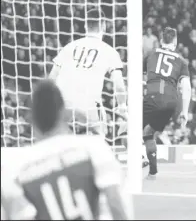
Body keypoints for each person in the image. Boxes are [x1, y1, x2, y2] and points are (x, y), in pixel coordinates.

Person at [1, 80, 128, 220]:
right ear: (64, 112)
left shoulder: (19, 167)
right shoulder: (93, 147)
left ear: (31, 119)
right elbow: (115, 201)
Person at [49, 8, 127, 135]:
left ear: (85, 25)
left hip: (62, 103)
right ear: (104, 26)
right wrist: (122, 106)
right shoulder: (109, 51)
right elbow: (118, 84)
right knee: (102, 135)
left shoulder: (69, 46)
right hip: (88, 103)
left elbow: (52, 77)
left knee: (63, 141)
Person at [143, 27, 191, 179]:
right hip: (171, 102)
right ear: (175, 42)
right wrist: (184, 111)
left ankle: (140, 158)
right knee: (148, 132)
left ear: (161, 40)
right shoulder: (182, 61)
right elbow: (186, 87)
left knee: (125, 130)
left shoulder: (151, 54)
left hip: (153, 95)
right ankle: (153, 173)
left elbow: (141, 75)